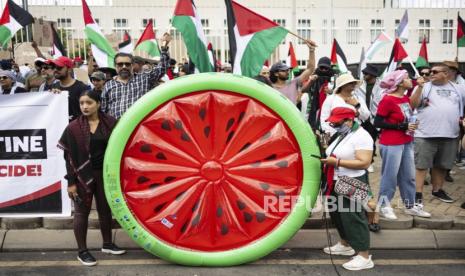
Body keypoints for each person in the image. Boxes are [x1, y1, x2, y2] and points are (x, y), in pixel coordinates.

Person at [58, 90, 125, 266]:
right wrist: (71, 183)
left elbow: (121, 145)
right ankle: (82, 251)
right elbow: (69, 157)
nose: (85, 107)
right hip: (81, 176)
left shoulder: (110, 122)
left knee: (105, 210)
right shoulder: (73, 127)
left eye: (89, 103)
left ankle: (107, 244)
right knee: (81, 213)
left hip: (105, 175)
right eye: (82, 103)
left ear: (98, 104)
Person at [320, 106, 374, 271]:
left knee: (354, 217)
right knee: (338, 214)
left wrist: (336, 163)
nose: (334, 125)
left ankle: (364, 256)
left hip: (353, 180)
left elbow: (364, 162)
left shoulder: (362, 136)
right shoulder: (344, 134)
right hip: (336, 179)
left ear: (349, 120)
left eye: (337, 123)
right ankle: (345, 244)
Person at [374, 70, 431, 219]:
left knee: (408, 176)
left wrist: (411, 123)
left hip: (406, 141)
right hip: (391, 142)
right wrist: (401, 126)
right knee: (390, 176)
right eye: (406, 78)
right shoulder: (387, 100)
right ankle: (384, 205)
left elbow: (412, 107)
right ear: (399, 83)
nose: (410, 79)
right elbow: (377, 122)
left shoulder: (404, 97)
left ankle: (410, 205)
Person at [411, 63, 465, 205]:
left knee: (441, 165)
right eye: (430, 72)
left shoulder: (458, 89)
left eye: (435, 72)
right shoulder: (424, 87)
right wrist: (420, 87)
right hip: (425, 134)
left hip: (450, 134)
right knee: (421, 165)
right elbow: (413, 104)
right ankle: (417, 193)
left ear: (446, 74)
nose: (430, 74)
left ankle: (437, 190)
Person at [101, 33, 171, 119]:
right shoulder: (109, 85)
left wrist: (164, 47)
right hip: (116, 128)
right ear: (115, 66)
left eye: (127, 64)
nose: (124, 67)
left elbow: (162, 68)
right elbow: (103, 110)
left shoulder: (144, 78)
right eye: (120, 64)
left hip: (139, 128)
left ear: (132, 65)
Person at [269, 40, 316, 105]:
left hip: (291, 115)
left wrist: (311, 50)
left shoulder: (293, 83)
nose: (287, 72)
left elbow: (310, 69)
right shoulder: (269, 88)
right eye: (283, 70)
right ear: (276, 73)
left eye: (287, 70)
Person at [50, 56, 90, 121]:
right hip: (58, 128)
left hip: (77, 129)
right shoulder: (53, 87)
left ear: (69, 70)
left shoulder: (82, 88)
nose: (55, 70)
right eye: (53, 67)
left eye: (59, 67)